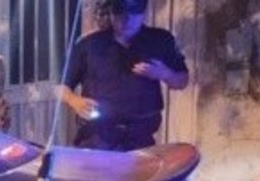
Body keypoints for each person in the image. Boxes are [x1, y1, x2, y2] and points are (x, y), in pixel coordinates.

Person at [58, 0, 189, 151]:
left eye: (133, 13)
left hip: (141, 138)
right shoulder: (89, 44)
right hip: (96, 137)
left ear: (143, 13)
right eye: (120, 14)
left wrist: (164, 73)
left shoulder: (160, 40)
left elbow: (182, 80)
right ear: (111, 14)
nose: (126, 20)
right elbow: (60, 87)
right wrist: (74, 101)